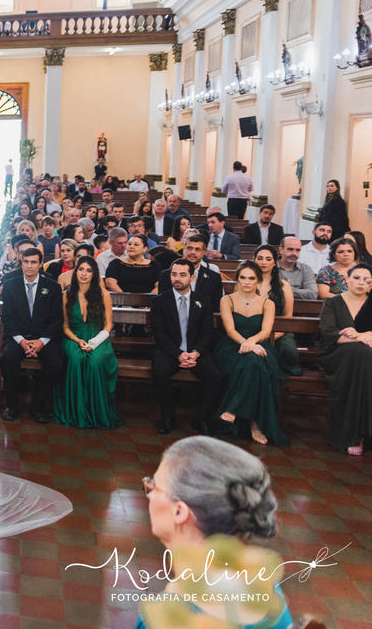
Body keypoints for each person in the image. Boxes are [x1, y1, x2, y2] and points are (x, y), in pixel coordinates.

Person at [139, 437, 292, 629]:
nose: (149, 495)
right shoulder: (265, 589)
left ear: (179, 511)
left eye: (153, 486)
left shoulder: (170, 617)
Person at [215, 262, 287, 446]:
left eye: (252, 278)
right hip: (232, 347)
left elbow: (265, 331)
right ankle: (256, 423)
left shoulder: (267, 303)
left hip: (258, 344)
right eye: (243, 277)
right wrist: (245, 344)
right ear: (237, 279)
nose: (247, 282)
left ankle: (234, 408)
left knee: (255, 363)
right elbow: (230, 330)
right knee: (254, 363)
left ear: (259, 281)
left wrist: (252, 343)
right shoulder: (227, 300)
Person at [150, 259, 224, 435]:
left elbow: (207, 332)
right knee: (159, 372)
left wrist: (196, 353)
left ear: (192, 277)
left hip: (196, 351)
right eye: (174, 274)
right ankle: (168, 417)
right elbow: (159, 333)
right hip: (171, 350)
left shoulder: (203, 301)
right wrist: (178, 354)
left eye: (182, 275)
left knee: (216, 376)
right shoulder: (160, 301)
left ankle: (202, 418)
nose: (177, 278)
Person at [0, 247, 64, 423]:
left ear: (40, 264)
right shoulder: (10, 285)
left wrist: (41, 342)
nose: (29, 266)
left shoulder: (53, 287)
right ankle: (12, 407)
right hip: (18, 337)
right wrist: (21, 341)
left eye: (33, 262)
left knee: (56, 363)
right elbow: (8, 318)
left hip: (43, 338)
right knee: (8, 359)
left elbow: (56, 319)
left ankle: (38, 407)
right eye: (26, 262)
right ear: (22, 262)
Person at [56, 257, 119, 429]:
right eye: (81, 269)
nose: (84, 274)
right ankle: (75, 413)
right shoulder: (66, 295)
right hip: (73, 337)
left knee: (94, 362)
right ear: (75, 271)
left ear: (94, 274)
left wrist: (95, 342)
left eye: (88, 270)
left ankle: (98, 413)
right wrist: (77, 340)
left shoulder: (103, 294)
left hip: (98, 337)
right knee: (76, 361)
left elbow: (108, 325)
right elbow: (65, 326)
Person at [319, 263, 372, 455]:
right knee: (360, 352)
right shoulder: (333, 303)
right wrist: (361, 336)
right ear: (346, 280)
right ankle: (354, 434)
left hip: (365, 358)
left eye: (367, 280)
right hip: (337, 354)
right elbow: (329, 334)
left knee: (364, 355)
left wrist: (361, 335)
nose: (361, 282)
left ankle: (363, 432)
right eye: (357, 277)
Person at [253, 245, 301, 376]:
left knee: (288, 351)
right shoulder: (246, 282)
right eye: (260, 258)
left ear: (274, 262)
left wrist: (278, 332)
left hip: (278, 329)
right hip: (252, 328)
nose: (263, 262)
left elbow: (288, 315)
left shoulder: (284, 285)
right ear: (255, 260)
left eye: (268, 259)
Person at [277, 236, 317, 302]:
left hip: (302, 310)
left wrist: (284, 290)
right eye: (290, 249)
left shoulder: (306, 269)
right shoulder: (271, 267)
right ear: (281, 250)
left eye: (298, 250)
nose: (294, 253)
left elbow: (312, 294)